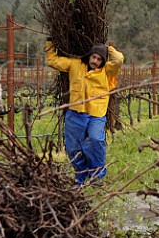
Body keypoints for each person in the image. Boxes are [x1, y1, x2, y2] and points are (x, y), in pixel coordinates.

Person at [45, 39, 124, 186]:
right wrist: (50, 44)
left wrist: (109, 48)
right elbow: (52, 61)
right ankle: (80, 175)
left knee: (96, 140)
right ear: (89, 56)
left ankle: (97, 176)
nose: (95, 61)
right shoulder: (75, 64)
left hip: (97, 114)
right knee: (73, 147)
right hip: (75, 113)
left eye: (100, 59)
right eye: (94, 57)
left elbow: (119, 59)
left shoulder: (107, 70)